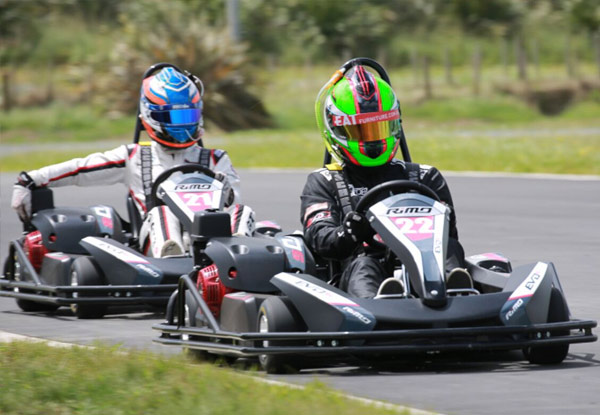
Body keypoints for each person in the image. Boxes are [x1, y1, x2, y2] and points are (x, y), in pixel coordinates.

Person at [11, 66, 254, 257]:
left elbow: (234, 200)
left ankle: (241, 258)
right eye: (172, 116)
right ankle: (172, 260)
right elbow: (80, 168)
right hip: (154, 244)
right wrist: (31, 179)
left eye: (187, 115)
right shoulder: (134, 157)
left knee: (243, 212)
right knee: (163, 214)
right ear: (151, 115)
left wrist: (225, 192)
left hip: (210, 239)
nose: (181, 124)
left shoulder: (215, 159)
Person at [300, 62, 471, 298]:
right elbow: (319, 239)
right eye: (361, 130)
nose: (372, 140)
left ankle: (458, 293)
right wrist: (350, 234)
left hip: (426, 266)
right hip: (356, 272)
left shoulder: (425, 176)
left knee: (450, 249)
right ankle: (377, 306)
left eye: (378, 128)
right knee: (364, 264)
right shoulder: (325, 181)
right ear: (336, 129)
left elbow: (450, 238)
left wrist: (442, 222)